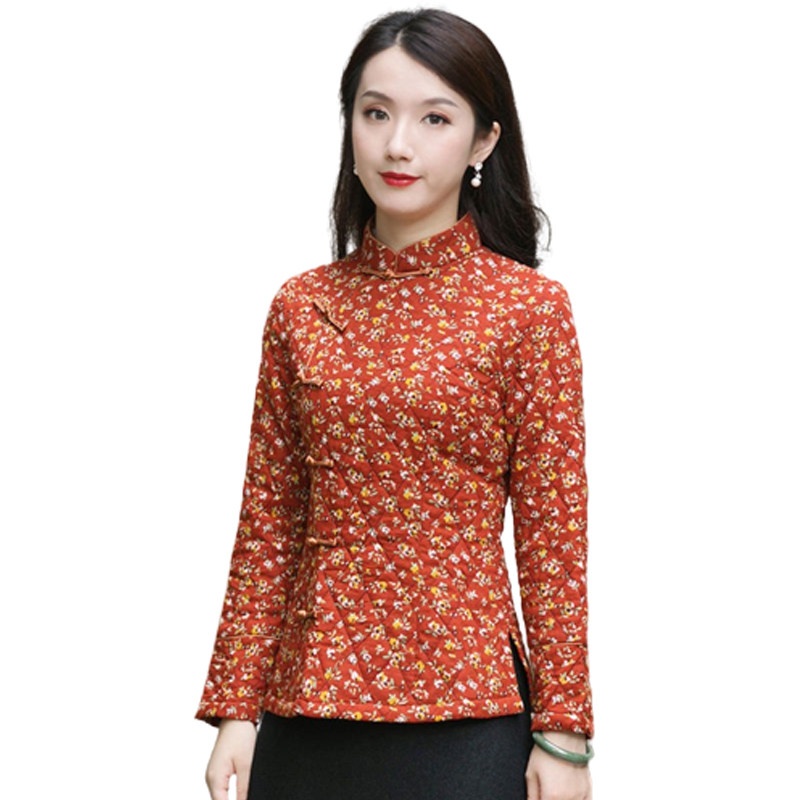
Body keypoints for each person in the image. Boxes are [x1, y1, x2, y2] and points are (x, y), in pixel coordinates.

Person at [197, 9, 595, 800]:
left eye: (434, 118)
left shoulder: (528, 311)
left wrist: (565, 734)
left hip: (469, 714)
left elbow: (553, 536)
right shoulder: (301, 307)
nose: (397, 145)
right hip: (307, 710)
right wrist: (235, 707)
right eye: (375, 113)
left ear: (484, 141)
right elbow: (270, 516)